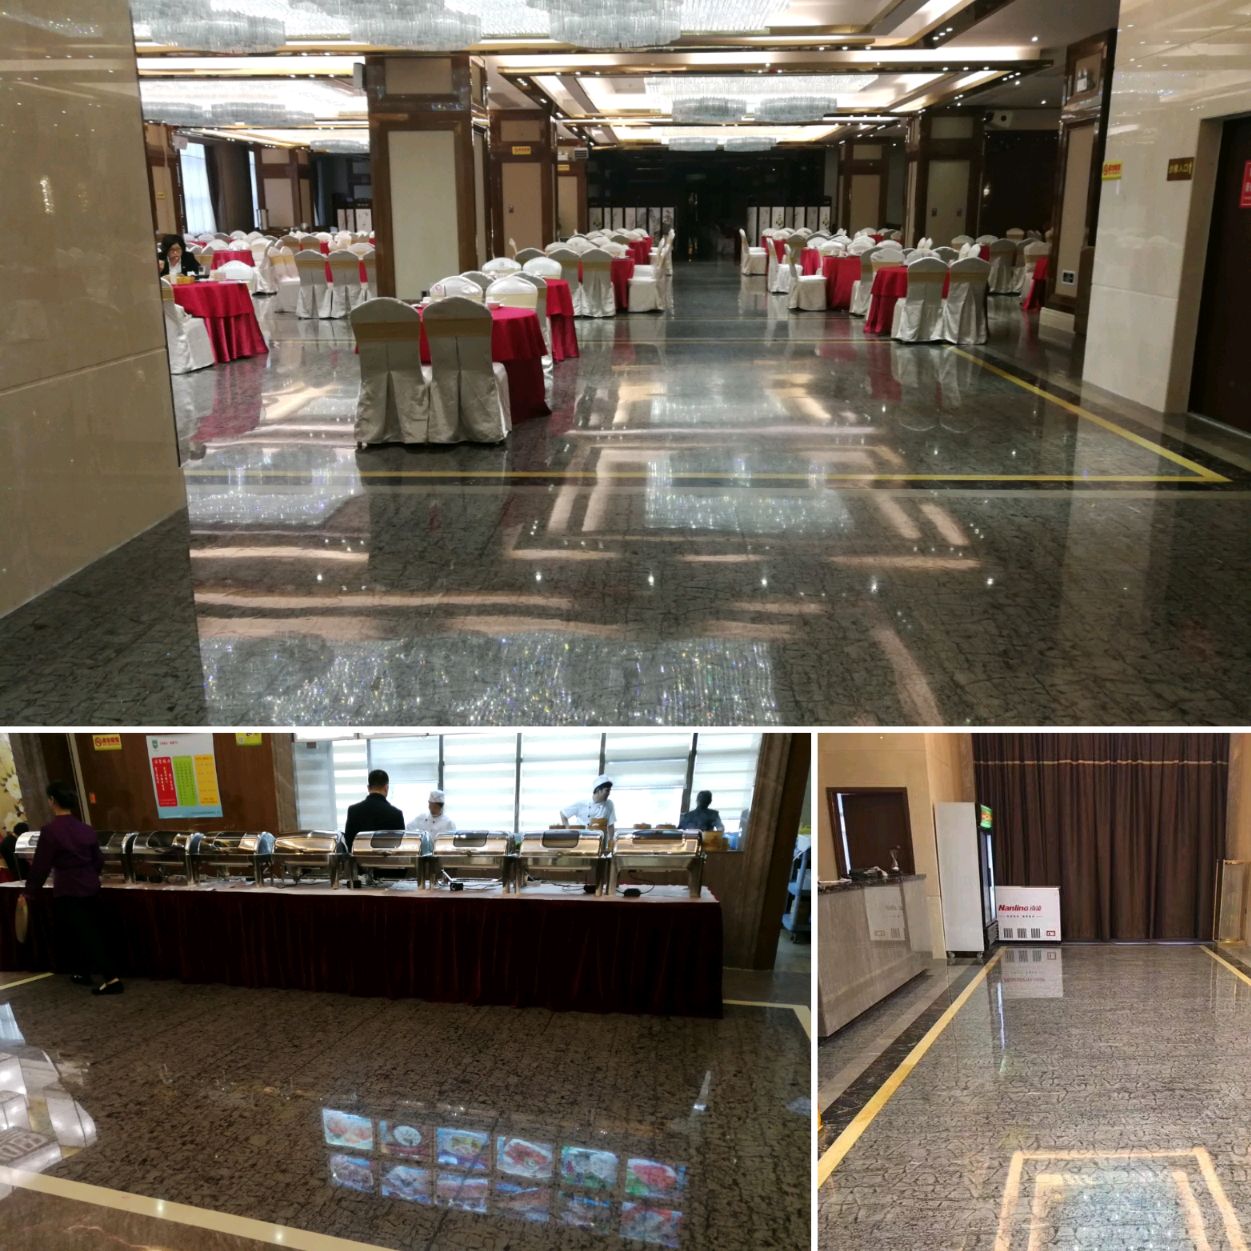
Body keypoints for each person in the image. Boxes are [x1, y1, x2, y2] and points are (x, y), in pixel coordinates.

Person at [24, 783, 121, 996]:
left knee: (85, 933)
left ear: (52, 801)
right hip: (91, 886)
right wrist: (89, 875)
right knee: (86, 931)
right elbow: (98, 860)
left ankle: (111, 979)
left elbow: (41, 865)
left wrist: (29, 891)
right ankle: (83, 972)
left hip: (68, 888)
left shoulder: (51, 831)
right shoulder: (86, 829)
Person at [343, 769, 405, 852]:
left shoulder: (353, 811)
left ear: (368, 788)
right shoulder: (396, 814)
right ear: (386, 788)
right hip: (386, 859)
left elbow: (349, 842)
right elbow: (400, 845)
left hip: (360, 859)